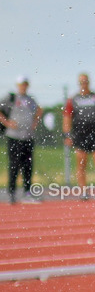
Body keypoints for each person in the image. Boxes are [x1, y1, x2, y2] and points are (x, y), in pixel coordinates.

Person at [63, 73, 95, 199]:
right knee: (81, 164)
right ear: (78, 83)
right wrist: (67, 135)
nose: (83, 84)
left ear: (89, 82)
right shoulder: (73, 99)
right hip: (80, 136)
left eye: (85, 81)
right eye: (81, 82)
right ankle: (83, 192)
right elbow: (67, 118)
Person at [1, 76, 43, 204]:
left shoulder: (31, 100)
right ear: (18, 85)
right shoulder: (11, 98)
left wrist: (35, 122)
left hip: (28, 136)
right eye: (21, 84)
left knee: (28, 166)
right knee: (14, 164)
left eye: (25, 84)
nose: (23, 86)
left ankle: (27, 192)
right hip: (14, 136)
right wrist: (7, 123)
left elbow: (39, 110)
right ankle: (12, 193)